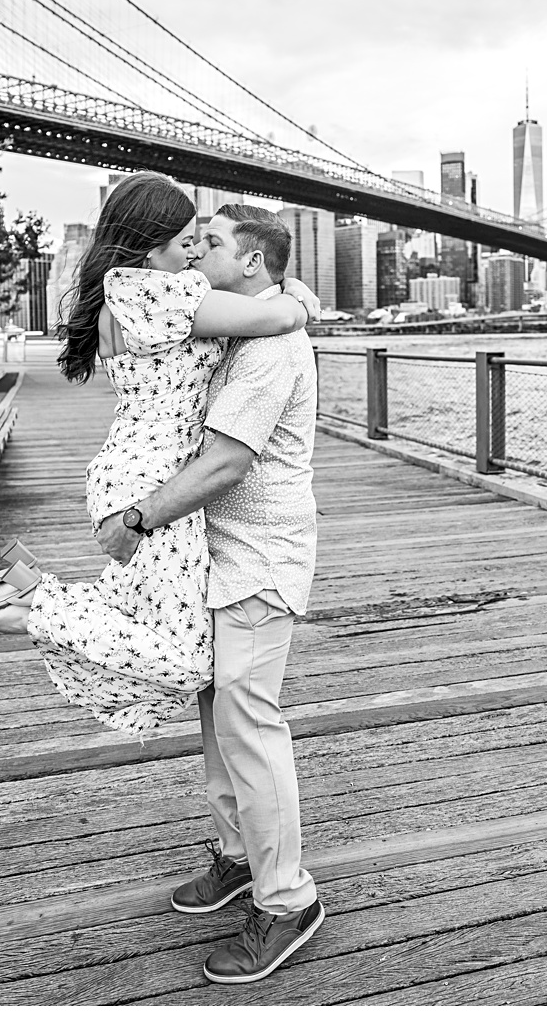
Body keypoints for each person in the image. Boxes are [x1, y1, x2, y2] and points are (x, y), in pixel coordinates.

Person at [0, 174, 318, 744]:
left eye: (204, 242)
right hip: (152, 479)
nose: (195, 253)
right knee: (188, 660)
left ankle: (26, 591)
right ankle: (32, 604)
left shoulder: (130, 289)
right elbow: (280, 319)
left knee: (140, 614)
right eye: (187, 241)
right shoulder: (160, 295)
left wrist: (284, 283)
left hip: (134, 468)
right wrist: (293, 296)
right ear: (150, 244)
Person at [93, 204, 325, 985]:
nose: (196, 251)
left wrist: (137, 517)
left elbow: (225, 462)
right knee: (214, 710)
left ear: (252, 262)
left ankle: (287, 899)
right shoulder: (236, 324)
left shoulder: (271, 348)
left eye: (213, 242)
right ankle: (237, 855)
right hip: (212, 554)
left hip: (258, 558)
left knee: (248, 719)